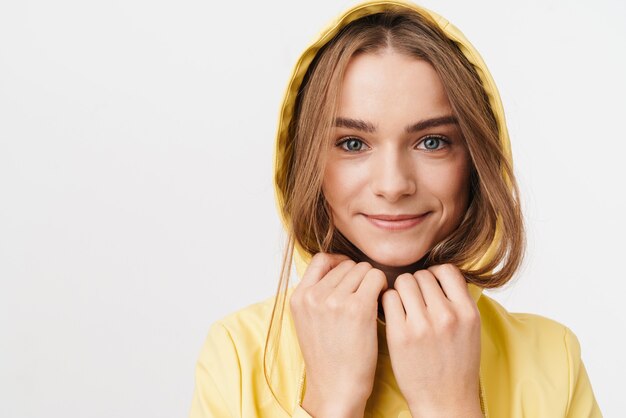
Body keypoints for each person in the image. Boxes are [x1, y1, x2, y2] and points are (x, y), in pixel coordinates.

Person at [189, 1, 602, 417]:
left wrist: (448, 406)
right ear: (308, 160)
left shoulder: (552, 358)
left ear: (476, 160)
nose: (393, 185)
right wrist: (333, 400)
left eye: (432, 141)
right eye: (352, 143)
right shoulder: (238, 354)